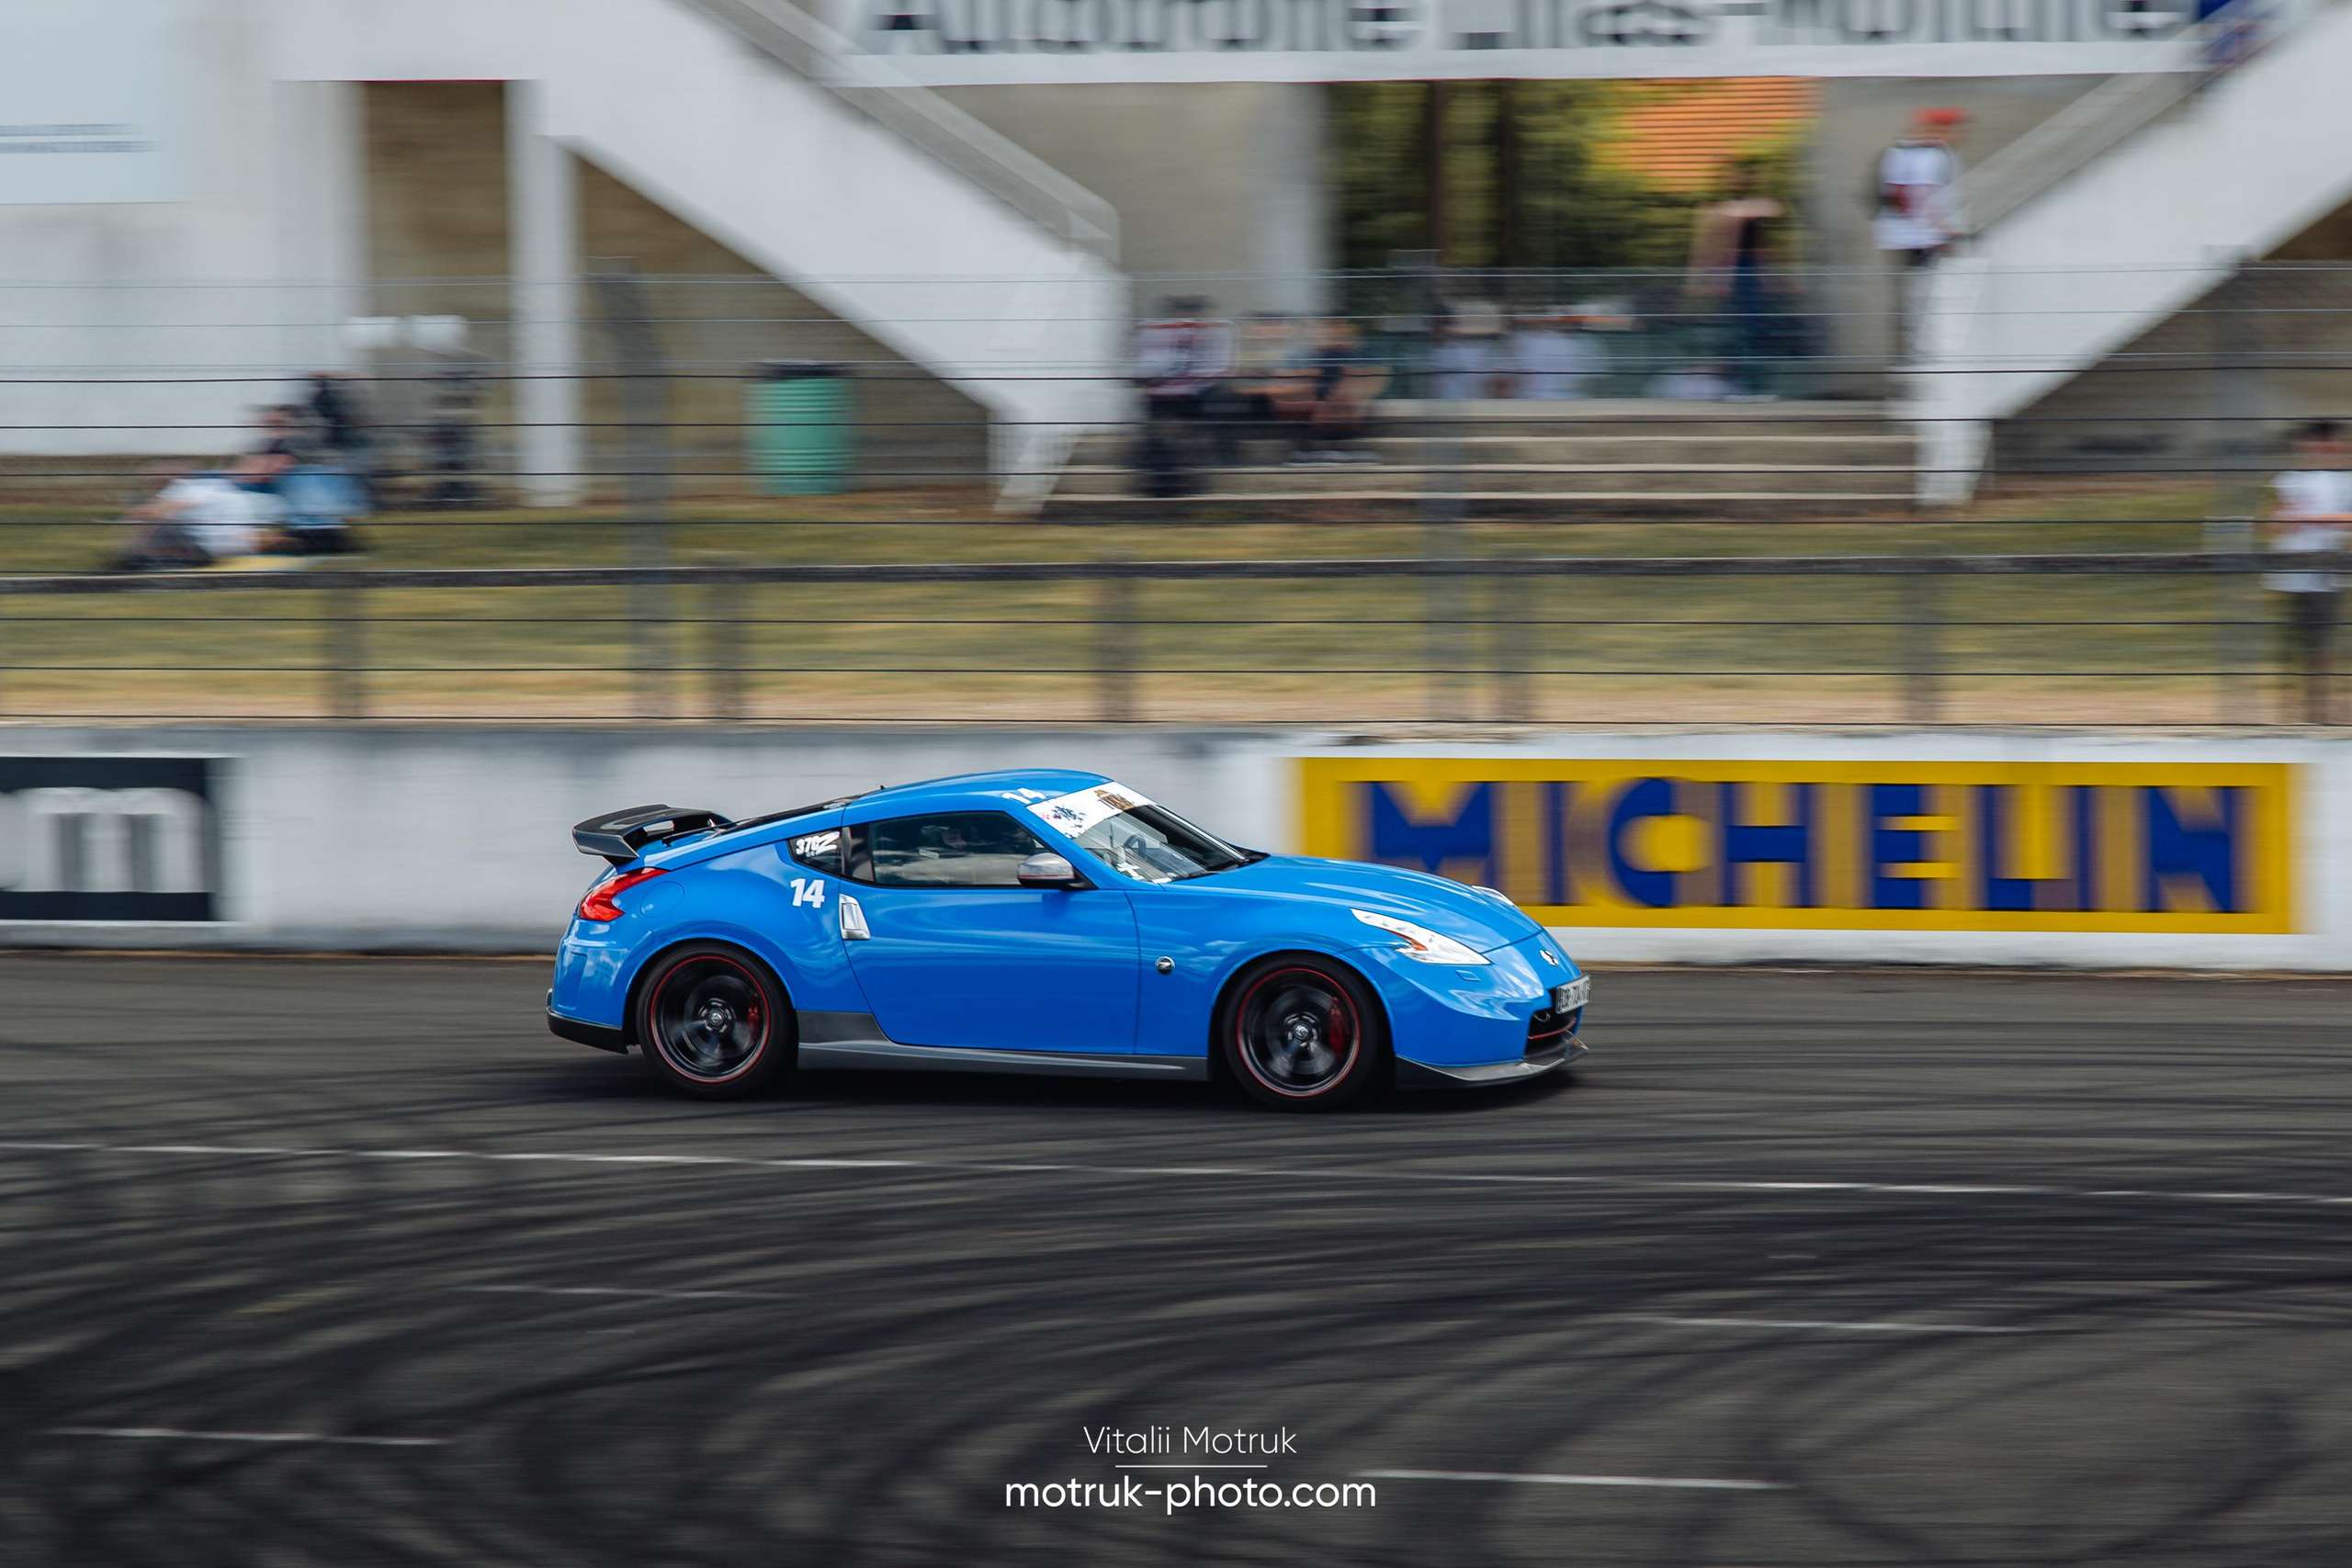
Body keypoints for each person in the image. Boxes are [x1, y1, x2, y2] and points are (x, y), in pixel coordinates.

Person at [2264, 420, 2352, 723]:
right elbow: (2274, 522)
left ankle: (2319, 709)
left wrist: (2309, 518)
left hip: (2327, 572)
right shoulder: (2289, 479)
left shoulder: (2345, 481)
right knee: (2293, 642)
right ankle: (2291, 709)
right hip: (2292, 571)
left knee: (2321, 643)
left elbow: (2347, 520)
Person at [1873, 107, 1967, 367]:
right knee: (1925, 299)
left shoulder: (1900, 152)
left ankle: (1911, 356)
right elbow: (1924, 196)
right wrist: (1947, 231)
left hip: (1899, 237)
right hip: (1922, 239)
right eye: (1954, 128)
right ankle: (1922, 357)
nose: (1959, 134)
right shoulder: (1932, 155)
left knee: (1912, 300)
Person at [1689, 162, 1786, 400]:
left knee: (1751, 330)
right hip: (1740, 274)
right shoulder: (1729, 211)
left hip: (1749, 273)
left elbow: (1769, 216)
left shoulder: (1752, 209)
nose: (1739, 182)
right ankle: (1742, 385)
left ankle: (1751, 385)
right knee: (1741, 330)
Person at [1125, 297, 1236, 497]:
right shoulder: (1155, 334)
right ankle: (1163, 478)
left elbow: (1217, 368)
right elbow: (1140, 367)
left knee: (1219, 403)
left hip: (1199, 393)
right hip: (1163, 393)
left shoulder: (1214, 334)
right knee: (1158, 426)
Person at [107, 468, 268, 572]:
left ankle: (141, 559)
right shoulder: (214, 487)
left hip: (207, 547)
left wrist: (136, 516)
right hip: (239, 546)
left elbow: (159, 512)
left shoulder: (182, 488)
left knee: (158, 525)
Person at [1281, 317, 1389, 464]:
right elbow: (1299, 382)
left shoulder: (1356, 354)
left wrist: (1345, 400)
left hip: (1342, 406)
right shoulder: (1309, 355)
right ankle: (1312, 450)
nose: (1332, 333)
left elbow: (1371, 377)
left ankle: (1339, 449)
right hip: (1320, 406)